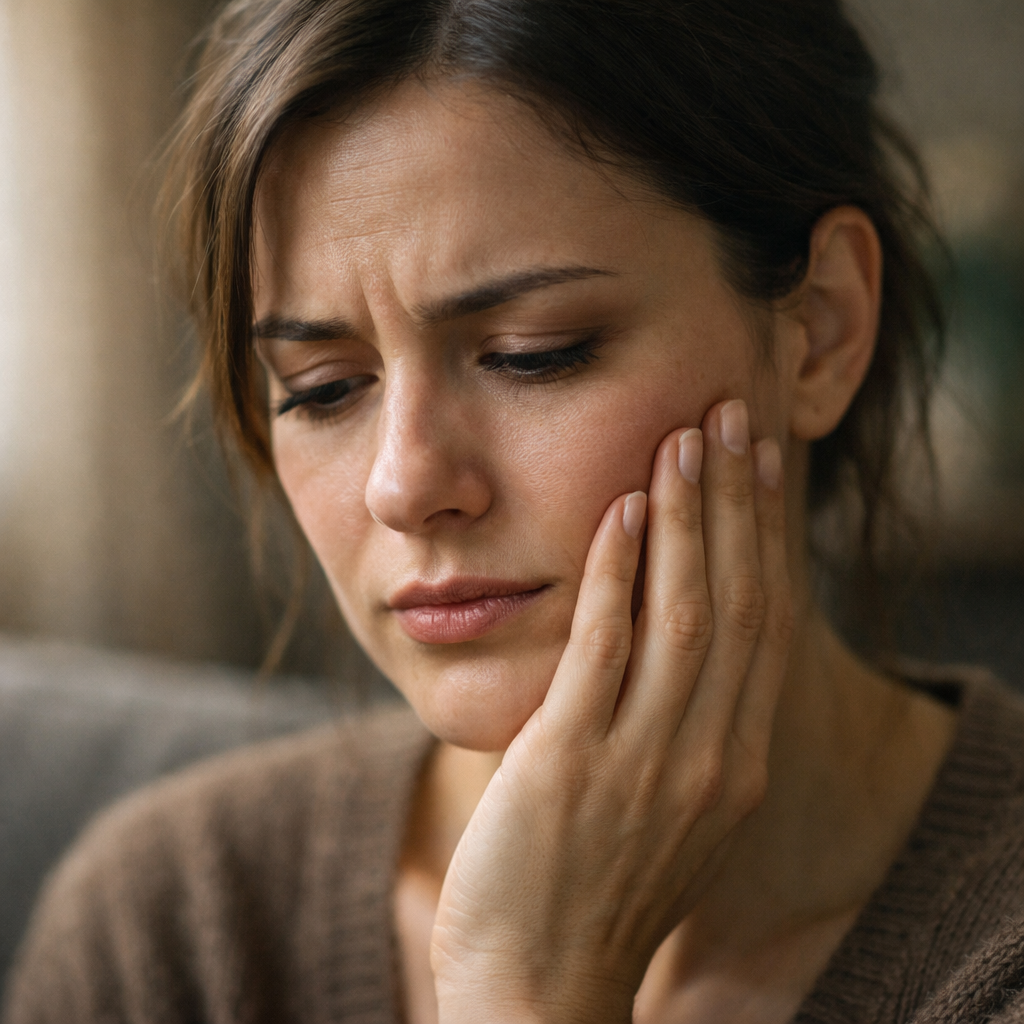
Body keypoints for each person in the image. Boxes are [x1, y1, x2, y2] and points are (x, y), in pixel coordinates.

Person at [5, 1, 1024, 1022]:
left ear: (821, 328)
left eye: (533, 353)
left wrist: (530, 992)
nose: (402, 485)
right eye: (321, 388)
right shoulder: (174, 929)